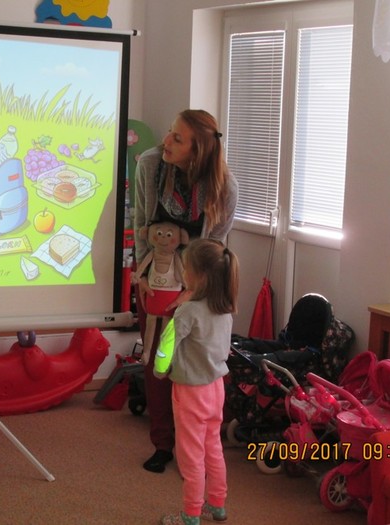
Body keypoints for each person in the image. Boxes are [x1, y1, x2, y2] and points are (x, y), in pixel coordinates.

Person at [133, 109, 238, 473]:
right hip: (157, 280)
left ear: (199, 151)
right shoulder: (150, 165)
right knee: (157, 363)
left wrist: (192, 292)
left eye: (177, 139)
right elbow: (141, 222)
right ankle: (163, 444)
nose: (165, 141)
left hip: (199, 285)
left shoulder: (224, 188)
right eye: (169, 132)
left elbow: (214, 247)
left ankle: (195, 443)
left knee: (195, 365)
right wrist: (142, 276)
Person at [157, 238, 239, 525]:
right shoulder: (225, 309)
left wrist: (159, 370)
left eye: (186, 268)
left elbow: (167, 344)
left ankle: (191, 514)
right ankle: (217, 504)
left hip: (191, 391)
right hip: (215, 388)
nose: (183, 273)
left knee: (190, 454)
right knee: (213, 447)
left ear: (200, 276)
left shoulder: (188, 311)